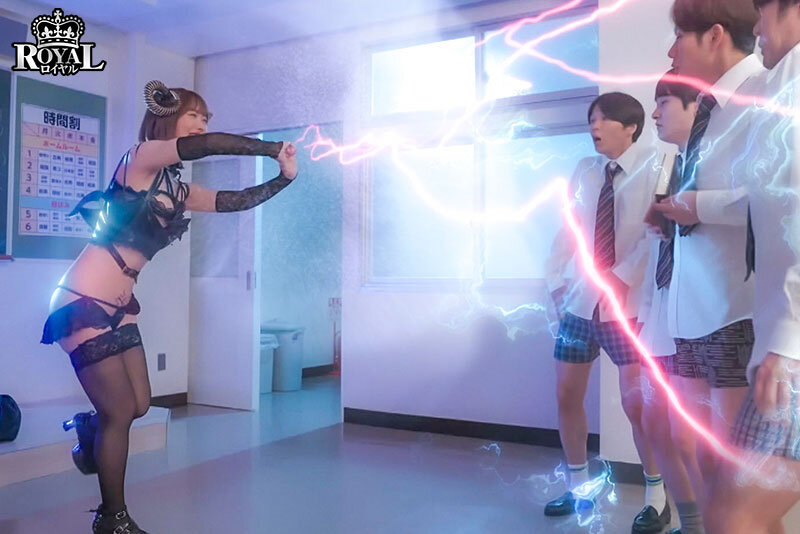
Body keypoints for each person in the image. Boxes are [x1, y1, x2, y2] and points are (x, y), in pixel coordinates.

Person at [41, 80, 299, 534]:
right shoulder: (140, 159)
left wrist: (284, 178)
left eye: (206, 117)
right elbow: (206, 146)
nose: (202, 123)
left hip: (123, 305)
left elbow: (234, 201)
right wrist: (271, 147)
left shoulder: (177, 189)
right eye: (194, 115)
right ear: (167, 117)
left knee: (139, 404)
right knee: (119, 413)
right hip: (82, 300)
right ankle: (112, 518)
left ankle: (88, 427)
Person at [650, 0, 767, 526]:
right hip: (691, 309)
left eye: (680, 36)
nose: (671, 51)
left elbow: (777, 197)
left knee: (733, 479)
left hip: (734, 309)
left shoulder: (764, 96)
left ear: (715, 35)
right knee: (698, 453)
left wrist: (698, 206)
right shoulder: (714, 111)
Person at [544, 92, 666, 532]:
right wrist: (555, 280)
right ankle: (578, 487)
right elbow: (568, 229)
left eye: (603, 119)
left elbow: (656, 235)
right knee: (566, 395)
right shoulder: (585, 169)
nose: (593, 126)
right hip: (580, 304)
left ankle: (656, 496)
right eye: (591, 119)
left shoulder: (658, 166)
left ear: (630, 126)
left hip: (629, 309)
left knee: (638, 406)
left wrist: (619, 277)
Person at [704, 1, 800, 532]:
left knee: (731, 514)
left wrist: (788, 343)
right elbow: (766, 198)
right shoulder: (777, 85)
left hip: (792, 352)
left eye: (762, 11)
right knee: (741, 509)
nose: (757, 26)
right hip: (781, 344)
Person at [639, 70, 705, 534]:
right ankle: (690, 521)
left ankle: (706, 522)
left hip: (701, 317)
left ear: (695, 106)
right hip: (663, 307)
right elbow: (658, 238)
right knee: (656, 423)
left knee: (689, 434)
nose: (655, 113)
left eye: (664, 103)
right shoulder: (668, 163)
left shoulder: (715, 159)